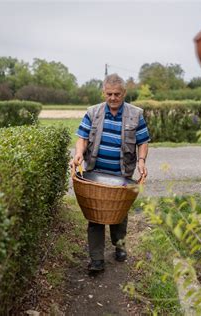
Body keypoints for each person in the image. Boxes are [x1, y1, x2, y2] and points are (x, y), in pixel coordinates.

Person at [70, 73, 150, 273]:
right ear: (103, 93)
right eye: (109, 94)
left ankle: (119, 244)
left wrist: (141, 161)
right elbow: (82, 137)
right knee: (95, 216)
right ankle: (96, 260)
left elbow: (142, 141)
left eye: (117, 94)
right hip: (96, 172)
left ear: (124, 93)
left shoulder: (135, 114)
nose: (113, 98)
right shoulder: (93, 112)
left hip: (122, 174)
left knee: (119, 213)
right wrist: (79, 153)